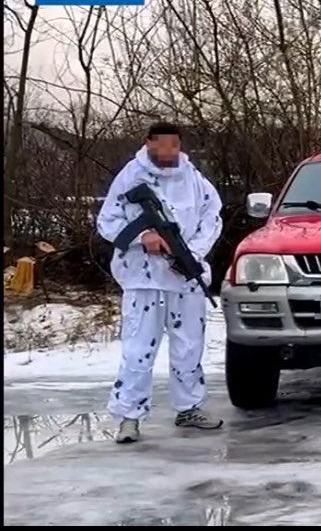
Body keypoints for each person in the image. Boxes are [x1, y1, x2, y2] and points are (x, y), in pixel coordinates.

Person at [95, 122, 224, 444]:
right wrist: (144, 236)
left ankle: (189, 407)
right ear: (148, 143)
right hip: (143, 277)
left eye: (174, 146)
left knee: (189, 346)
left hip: (185, 276)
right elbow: (107, 221)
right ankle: (129, 416)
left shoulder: (194, 180)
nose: (168, 153)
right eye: (161, 146)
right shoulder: (130, 177)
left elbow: (212, 217)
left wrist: (190, 255)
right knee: (138, 348)